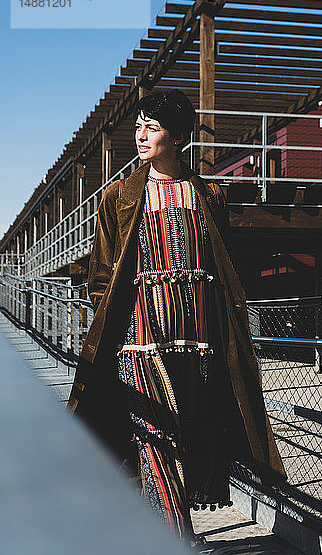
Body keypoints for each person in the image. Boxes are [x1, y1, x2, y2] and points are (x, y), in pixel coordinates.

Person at [67, 89, 286, 542]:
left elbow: (224, 264)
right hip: (139, 340)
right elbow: (101, 273)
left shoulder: (209, 195)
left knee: (191, 437)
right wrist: (110, 319)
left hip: (200, 340)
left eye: (153, 127)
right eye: (138, 127)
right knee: (154, 434)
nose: (141, 136)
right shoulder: (120, 197)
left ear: (178, 136)